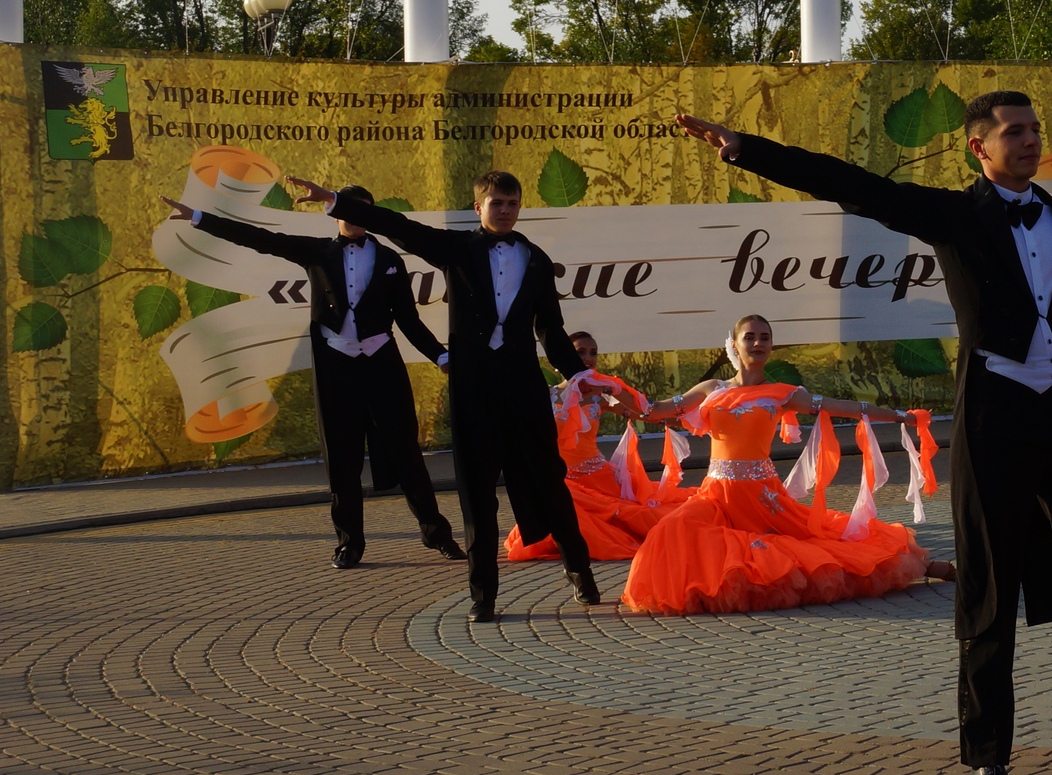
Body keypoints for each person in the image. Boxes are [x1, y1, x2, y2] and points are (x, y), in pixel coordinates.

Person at [671, 92, 1052, 775]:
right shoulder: (955, 216)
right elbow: (853, 184)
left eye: (1035, 128)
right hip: (993, 422)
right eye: (1014, 131)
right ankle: (988, 754)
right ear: (979, 146)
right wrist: (749, 148)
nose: (1030, 140)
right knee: (988, 592)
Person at [284, 170, 602, 622]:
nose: (506, 211)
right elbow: (399, 227)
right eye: (497, 203)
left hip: (523, 387)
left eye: (512, 203)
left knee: (548, 480)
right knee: (476, 494)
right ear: (479, 207)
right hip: (473, 389)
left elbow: (549, 328)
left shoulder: (534, 258)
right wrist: (336, 202)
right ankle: (483, 594)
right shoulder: (457, 250)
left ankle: (580, 570)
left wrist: (577, 374)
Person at [156, 184, 462, 571]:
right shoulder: (318, 252)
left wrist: (440, 354)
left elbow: (408, 320)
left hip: (381, 364)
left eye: (363, 210)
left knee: (405, 451)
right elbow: (259, 239)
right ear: (336, 215)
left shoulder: (390, 260)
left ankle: (437, 534)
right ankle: (349, 543)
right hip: (337, 367)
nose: (354, 217)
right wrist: (199, 218)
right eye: (349, 210)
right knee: (342, 458)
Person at [619, 315, 955, 614]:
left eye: (764, 337)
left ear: (772, 345)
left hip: (761, 495)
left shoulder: (783, 392)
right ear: (734, 344)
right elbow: (653, 409)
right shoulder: (712, 389)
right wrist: (611, 391)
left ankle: (924, 566)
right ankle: (701, 589)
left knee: (826, 542)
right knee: (671, 529)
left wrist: (902, 416)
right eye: (749, 336)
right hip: (716, 493)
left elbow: (844, 406)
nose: (757, 343)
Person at [501, 331, 669, 563]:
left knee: (635, 518)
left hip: (600, 480)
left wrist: (686, 415)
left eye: (593, 352)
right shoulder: (544, 396)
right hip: (560, 479)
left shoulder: (601, 395)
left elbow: (646, 412)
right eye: (580, 352)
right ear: (562, 356)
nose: (588, 357)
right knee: (558, 508)